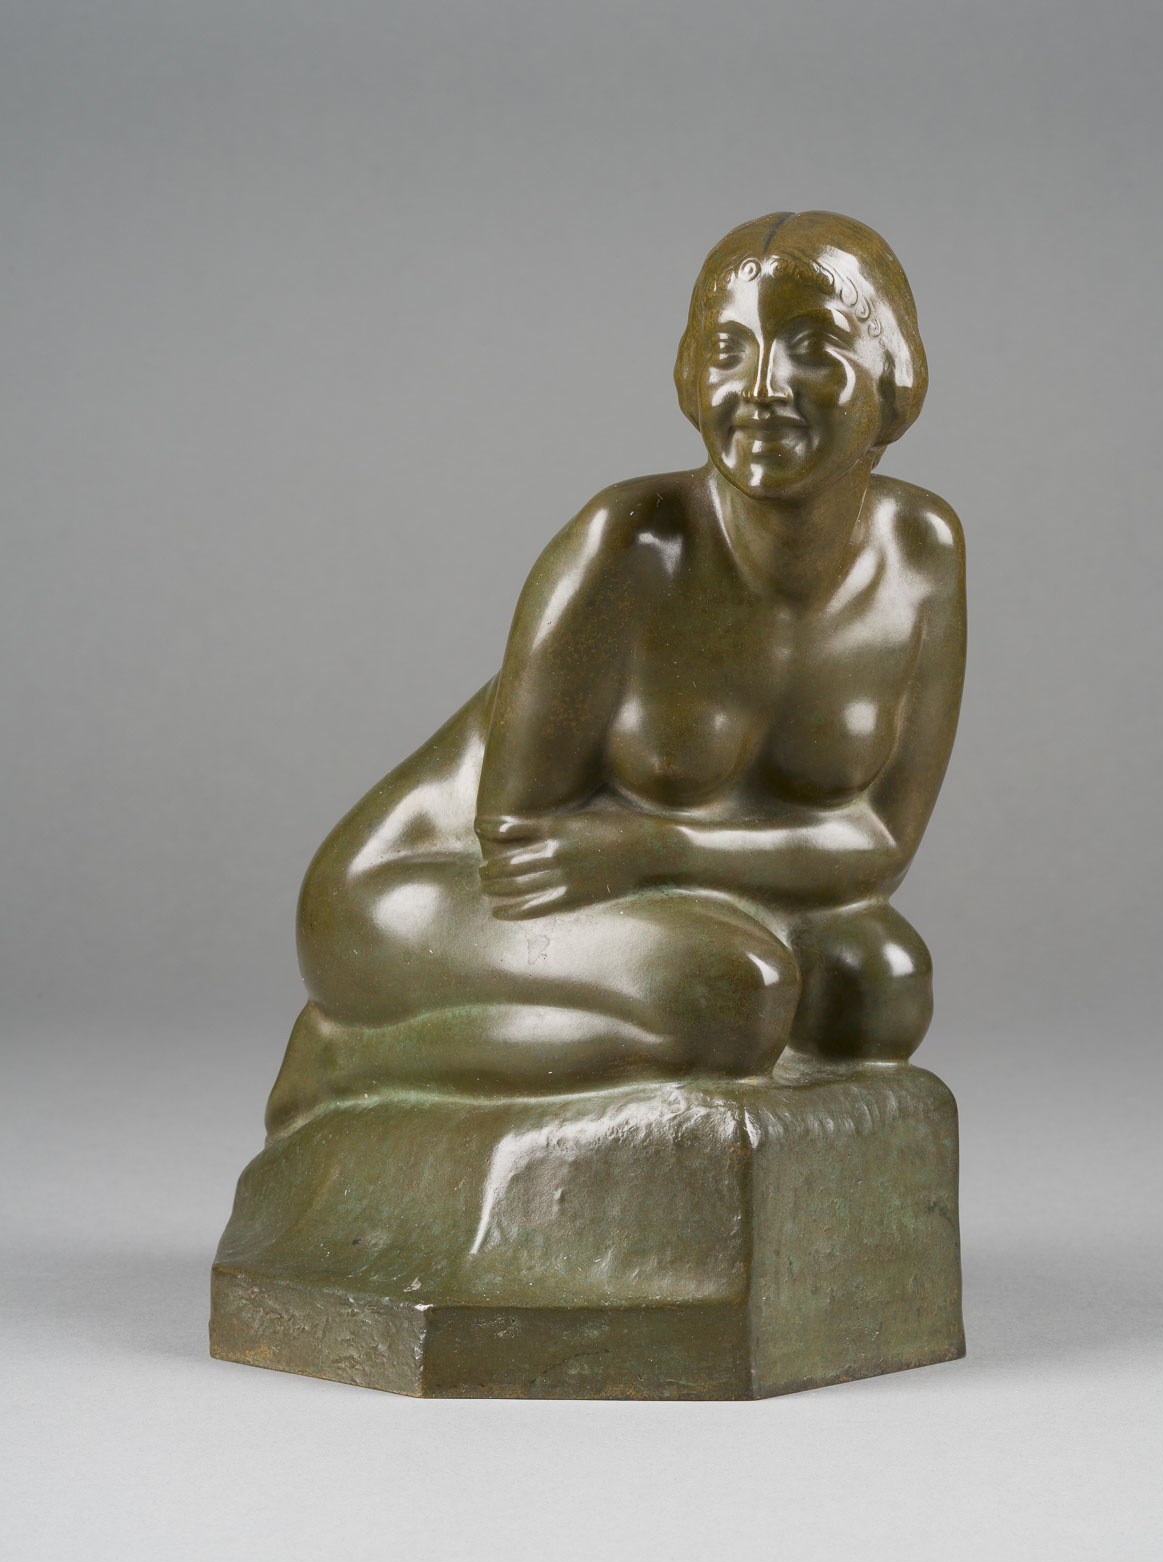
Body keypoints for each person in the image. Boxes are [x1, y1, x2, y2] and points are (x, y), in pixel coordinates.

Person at [267, 210, 965, 1136]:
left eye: (812, 349)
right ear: (689, 377)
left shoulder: (922, 551)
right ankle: (354, 1061)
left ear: (895, 379)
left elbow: (879, 844)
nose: (762, 388)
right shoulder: (630, 546)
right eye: (728, 350)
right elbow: (519, 838)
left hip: (631, 879)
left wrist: (659, 848)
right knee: (733, 996)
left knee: (884, 991)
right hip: (426, 888)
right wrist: (677, 877)